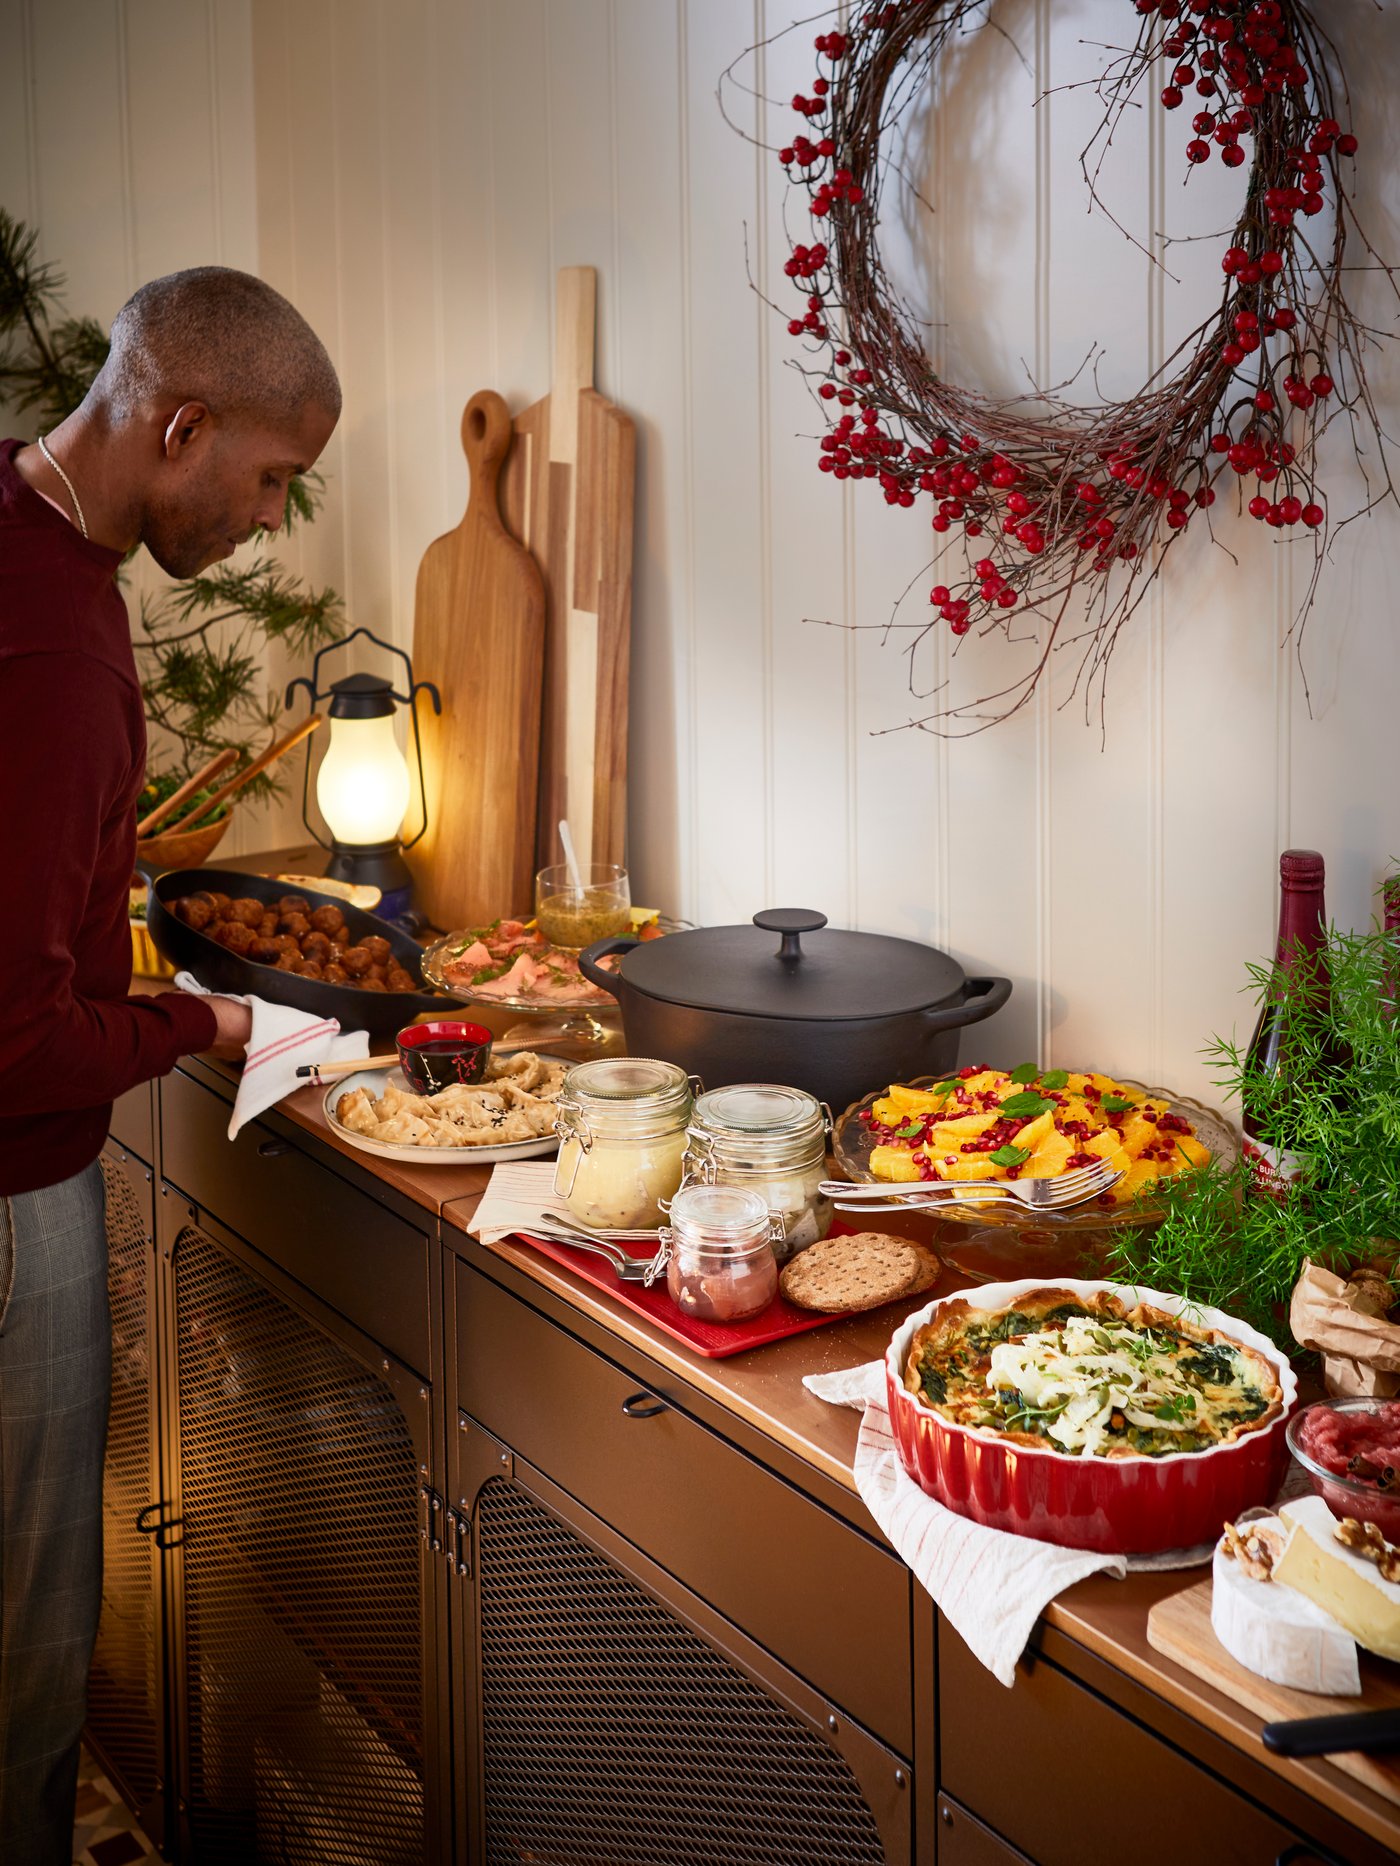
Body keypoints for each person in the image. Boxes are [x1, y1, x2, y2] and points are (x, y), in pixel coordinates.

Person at [0, 265, 340, 1862]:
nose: (271, 521)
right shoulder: (65, 647)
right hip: (12, 1202)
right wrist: (208, 1020)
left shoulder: (17, 515)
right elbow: (11, 1044)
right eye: (269, 479)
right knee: (23, 1664)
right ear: (181, 422)